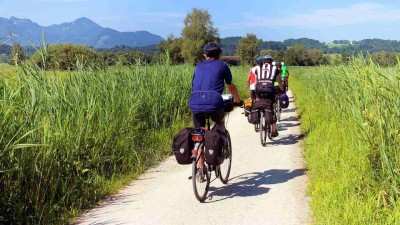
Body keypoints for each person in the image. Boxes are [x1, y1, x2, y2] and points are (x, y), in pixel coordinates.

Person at [254, 55, 284, 137]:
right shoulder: (275, 68)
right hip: (269, 89)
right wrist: (282, 89)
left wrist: (255, 92)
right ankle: (273, 130)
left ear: (263, 61)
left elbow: (256, 82)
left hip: (259, 89)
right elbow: (279, 81)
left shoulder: (258, 68)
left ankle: (259, 115)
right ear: (271, 62)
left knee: (259, 101)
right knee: (272, 107)